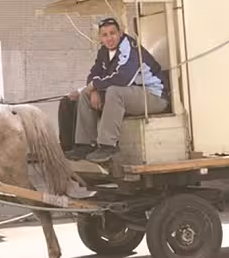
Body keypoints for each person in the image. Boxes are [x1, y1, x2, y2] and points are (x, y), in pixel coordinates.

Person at [65, 17, 169, 163]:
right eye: (105, 35)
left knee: (114, 92)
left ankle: (108, 146)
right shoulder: (104, 52)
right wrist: (93, 90)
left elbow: (123, 78)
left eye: (113, 33)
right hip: (132, 94)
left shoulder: (130, 47)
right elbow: (94, 74)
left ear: (120, 33)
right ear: (100, 38)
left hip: (154, 96)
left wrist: (95, 85)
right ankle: (85, 145)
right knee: (85, 95)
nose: (109, 38)